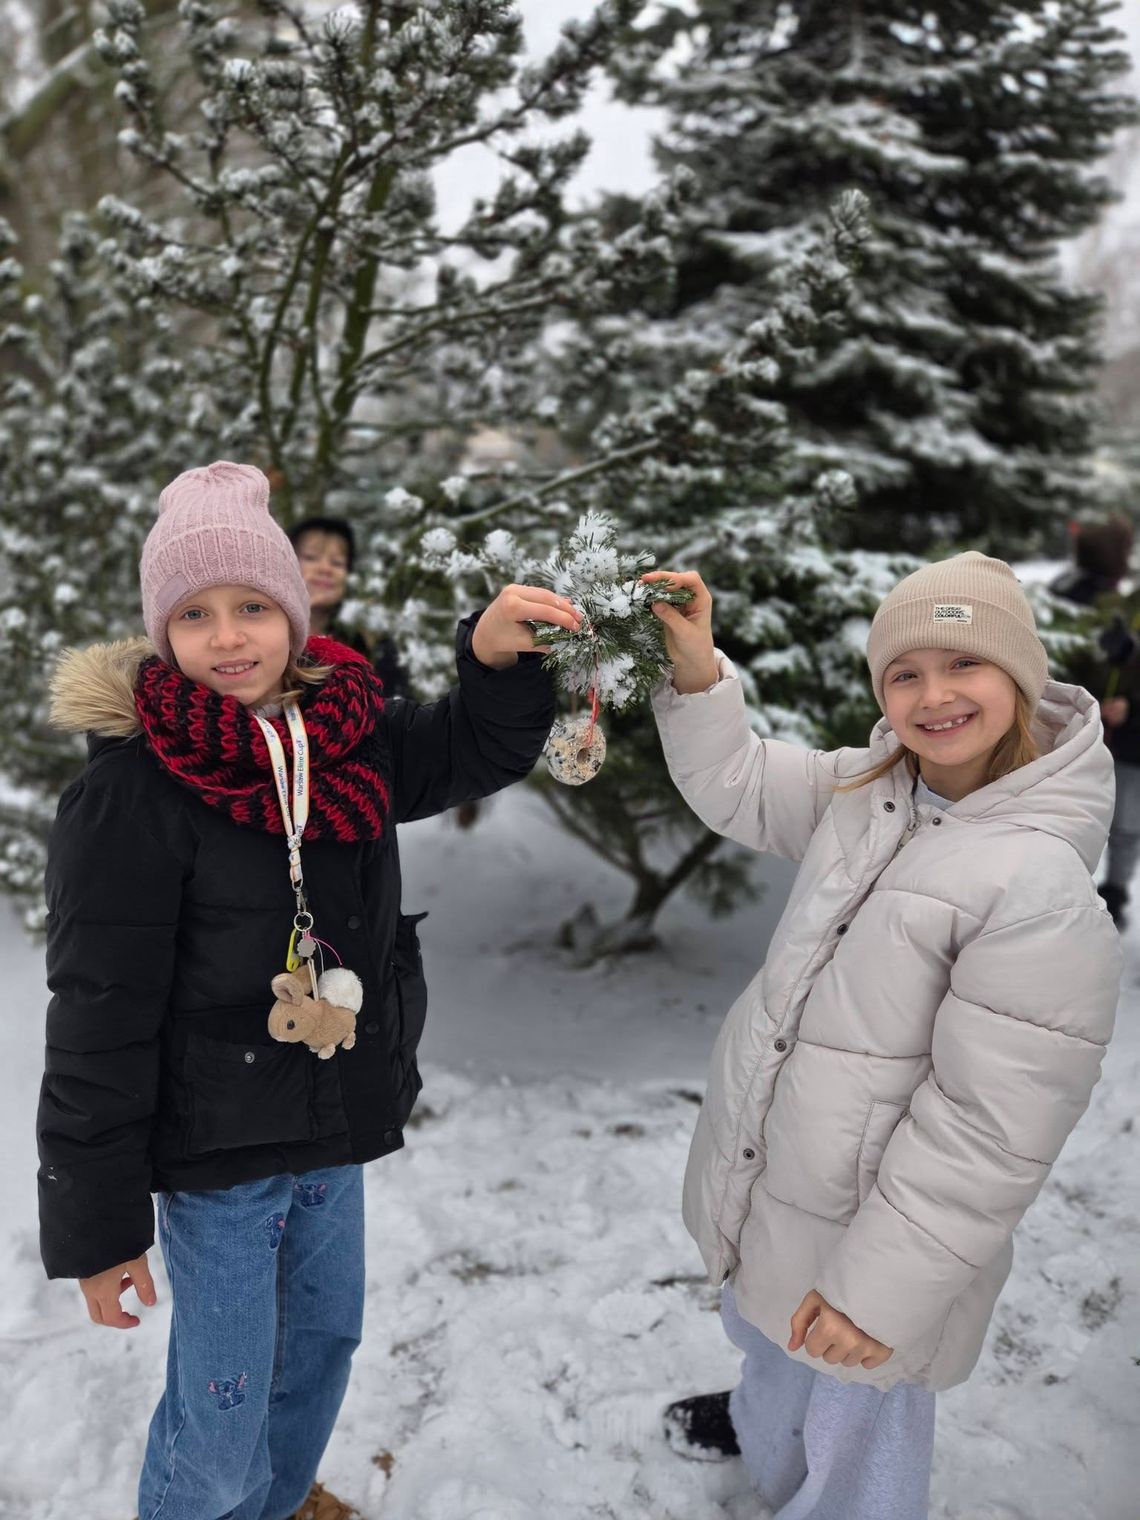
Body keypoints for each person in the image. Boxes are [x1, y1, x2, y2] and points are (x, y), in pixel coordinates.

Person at [36, 461, 574, 1520]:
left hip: (334, 1121)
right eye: (194, 613)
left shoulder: (350, 737)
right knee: (223, 1400)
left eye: (251, 606)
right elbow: (97, 1015)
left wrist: (492, 656)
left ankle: (275, 1506)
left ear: (293, 610)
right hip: (218, 1150)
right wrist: (98, 1226)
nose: (228, 636)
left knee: (322, 1345)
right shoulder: (130, 795)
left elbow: (476, 743)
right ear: (160, 629)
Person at [644, 552, 1120, 1520]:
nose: (934, 694)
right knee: (773, 1335)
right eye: (906, 672)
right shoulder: (872, 791)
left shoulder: (1036, 885)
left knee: (859, 1428)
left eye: (964, 665)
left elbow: (989, 1131)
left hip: (888, 1241)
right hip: (791, 1190)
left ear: (1019, 677)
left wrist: (881, 1291)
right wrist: (695, 669)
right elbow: (739, 779)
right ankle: (763, 1429)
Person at [1050, 517, 1140, 926]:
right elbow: (1063, 658)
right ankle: (1061, 894)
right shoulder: (1090, 599)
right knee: (1073, 818)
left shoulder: (1115, 601)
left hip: (1125, 735)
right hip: (1078, 730)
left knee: (1123, 821)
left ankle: (1113, 895)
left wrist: (1129, 704)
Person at [287, 513, 411, 698]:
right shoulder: (262, 634)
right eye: (311, 558)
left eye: (337, 562)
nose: (325, 569)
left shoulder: (371, 644)